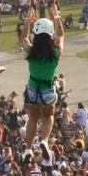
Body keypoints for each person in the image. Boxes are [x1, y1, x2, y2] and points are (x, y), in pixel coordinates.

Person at [24, 16, 64, 145]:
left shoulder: (31, 51)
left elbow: (23, 38)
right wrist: (56, 16)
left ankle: (28, 148)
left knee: (33, 118)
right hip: (48, 90)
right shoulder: (55, 53)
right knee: (48, 116)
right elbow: (60, 35)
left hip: (32, 89)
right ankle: (44, 140)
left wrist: (27, 20)